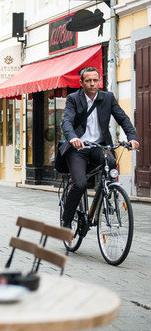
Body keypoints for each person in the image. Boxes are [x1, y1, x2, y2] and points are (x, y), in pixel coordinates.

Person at [60, 67, 139, 228]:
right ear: (81, 83)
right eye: (88, 80)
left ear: (99, 81)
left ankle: (105, 196)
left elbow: (123, 119)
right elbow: (66, 121)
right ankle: (66, 220)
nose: (92, 84)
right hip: (78, 148)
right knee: (80, 184)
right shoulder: (73, 99)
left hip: (98, 146)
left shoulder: (108, 98)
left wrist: (132, 138)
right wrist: (73, 137)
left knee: (110, 162)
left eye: (95, 80)